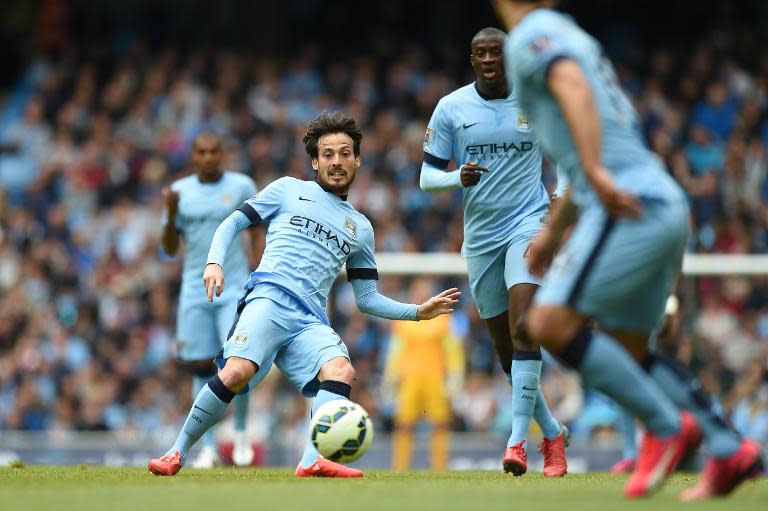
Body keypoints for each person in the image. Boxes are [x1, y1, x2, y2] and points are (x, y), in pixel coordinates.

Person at [492, 0, 764, 499]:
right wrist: (555, 231)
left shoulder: (533, 34)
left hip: (621, 206)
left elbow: (572, 89)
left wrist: (594, 173)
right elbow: (590, 137)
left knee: (547, 323)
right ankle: (729, 450)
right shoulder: (573, 35)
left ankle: (666, 427)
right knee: (629, 350)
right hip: (659, 204)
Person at [148, 112, 461, 478]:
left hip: (309, 320)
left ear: (357, 159)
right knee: (236, 371)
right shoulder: (286, 188)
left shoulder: (360, 228)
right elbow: (233, 222)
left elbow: (366, 298)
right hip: (268, 300)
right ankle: (176, 452)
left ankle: (312, 459)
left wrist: (417, 312)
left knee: (341, 369)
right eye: (328, 154)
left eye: (345, 153)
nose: (337, 162)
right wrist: (214, 263)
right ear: (315, 161)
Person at [420, 27, 568, 477]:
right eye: (481, 53)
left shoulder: (537, 100)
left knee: (526, 325)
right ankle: (554, 433)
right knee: (506, 352)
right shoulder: (451, 107)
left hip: (528, 222)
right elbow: (427, 178)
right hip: (480, 237)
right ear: (472, 60)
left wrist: (557, 203)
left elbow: (564, 156)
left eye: (497, 52)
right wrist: (456, 178)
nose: (489, 59)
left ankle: (518, 442)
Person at [161, 131, 258, 468]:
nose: (208, 157)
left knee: (237, 363)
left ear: (222, 154)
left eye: (213, 151)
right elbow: (170, 248)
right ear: (193, 155)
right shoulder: (180, 193)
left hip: (234, 287)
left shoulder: (242, 186)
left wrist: (258, 268)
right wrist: (171, 213)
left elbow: (258, 228)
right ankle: (209, 449)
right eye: (201, 152)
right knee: (201, 369)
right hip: (194, 289)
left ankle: (243, 433)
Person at [383, 278, 465, 470]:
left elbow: (452, 349)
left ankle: (439, 467)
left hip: (435, 378)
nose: (420, 294)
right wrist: (390, 377)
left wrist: (455, 375)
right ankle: (400, 467)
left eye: (424, 291)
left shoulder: (443, 319)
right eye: (417, 291)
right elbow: (396, 351)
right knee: (403, 425)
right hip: (409, 378)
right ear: (412, 294)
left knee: (440, 424)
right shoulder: (403, 320)